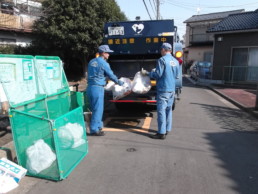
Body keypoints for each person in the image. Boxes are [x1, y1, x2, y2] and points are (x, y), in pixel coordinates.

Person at [141, 42, 179, 140]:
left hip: (163, 89)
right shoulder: (175, 61)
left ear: (163, 49)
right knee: (168, 110)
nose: (160, 51)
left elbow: (158, 75)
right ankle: (167, 129)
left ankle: (161, 133)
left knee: (161, 110)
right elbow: (177, 76)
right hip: (171, 89)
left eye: (161, 50)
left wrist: (148, 73)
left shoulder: (162, 60)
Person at [86, 45, 124, 136]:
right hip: (98, 88)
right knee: (98, 110)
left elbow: (94, 73)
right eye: (108, 53)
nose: (109, 55)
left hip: (89, 87)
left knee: (94, 108)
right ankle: (94, 130)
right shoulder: (104, 63)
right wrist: (119, 82)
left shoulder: (91, 61)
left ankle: (98, 127)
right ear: (103, 53)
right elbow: (111, 75)